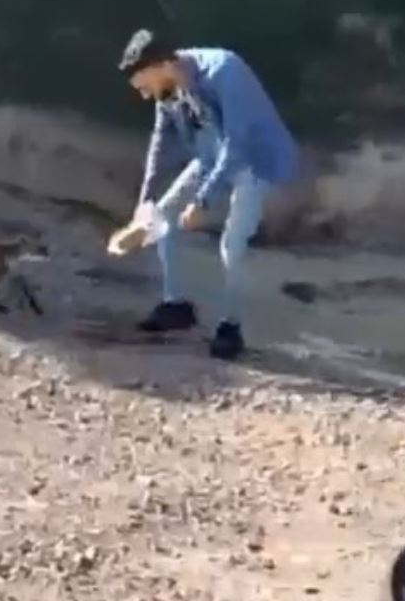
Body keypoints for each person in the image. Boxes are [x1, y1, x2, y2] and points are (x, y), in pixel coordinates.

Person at [117, 30, 299, 360]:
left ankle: (231, 327)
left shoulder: (224, 70)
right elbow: (161, 141)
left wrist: (203, 199)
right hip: (210, 157)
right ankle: (176, 306)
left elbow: (237, 143)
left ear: (162, 65)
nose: (145, 97)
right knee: (162, 217)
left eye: (145, 86)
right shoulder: (169, 89)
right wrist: (144, 201)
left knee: (232, 242)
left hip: (255, 160)